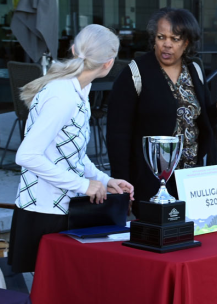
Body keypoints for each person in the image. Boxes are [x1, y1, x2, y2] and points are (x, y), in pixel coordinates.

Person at [9, 24, 134, 274]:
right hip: (43, 214)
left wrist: (104, 179)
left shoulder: (78, 90)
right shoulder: (63, 95)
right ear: (109, 63)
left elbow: (71, 153)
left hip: (63, 209)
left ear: (75, 49)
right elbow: (27, 155)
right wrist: (83, 185)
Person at [107, 8, 217, 213]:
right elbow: (117, 134)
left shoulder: (194, 69)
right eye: (161, 37)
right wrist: (122, 184)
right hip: (149, 181)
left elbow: (200, 118)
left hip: (191, 179)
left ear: (186, 42)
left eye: (175, 38)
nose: (167, 44)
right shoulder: (134, 73)